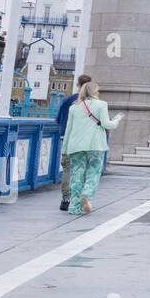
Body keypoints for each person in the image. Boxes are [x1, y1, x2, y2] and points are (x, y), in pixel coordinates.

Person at [60, 80, 121, 215]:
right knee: (93, 172)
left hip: (75, 145)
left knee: (76, 175)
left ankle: (74, 207)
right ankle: (86, 195)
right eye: (97, 90)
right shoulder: (101, 105)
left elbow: (68, 130)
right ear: (94, 92)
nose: (98, 93)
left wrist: (64, 149)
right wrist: (116, 120)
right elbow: (106, 124)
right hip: (95, 145)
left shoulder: (74, 107)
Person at [54, 74, 93, 210]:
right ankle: (79, 199)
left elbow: (58, 121)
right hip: (86, 141)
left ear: (78, 85)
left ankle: (66, 199)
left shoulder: (67, 101)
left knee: (67, 169)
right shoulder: (94, 104)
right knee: (84, 170)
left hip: (68, 139)